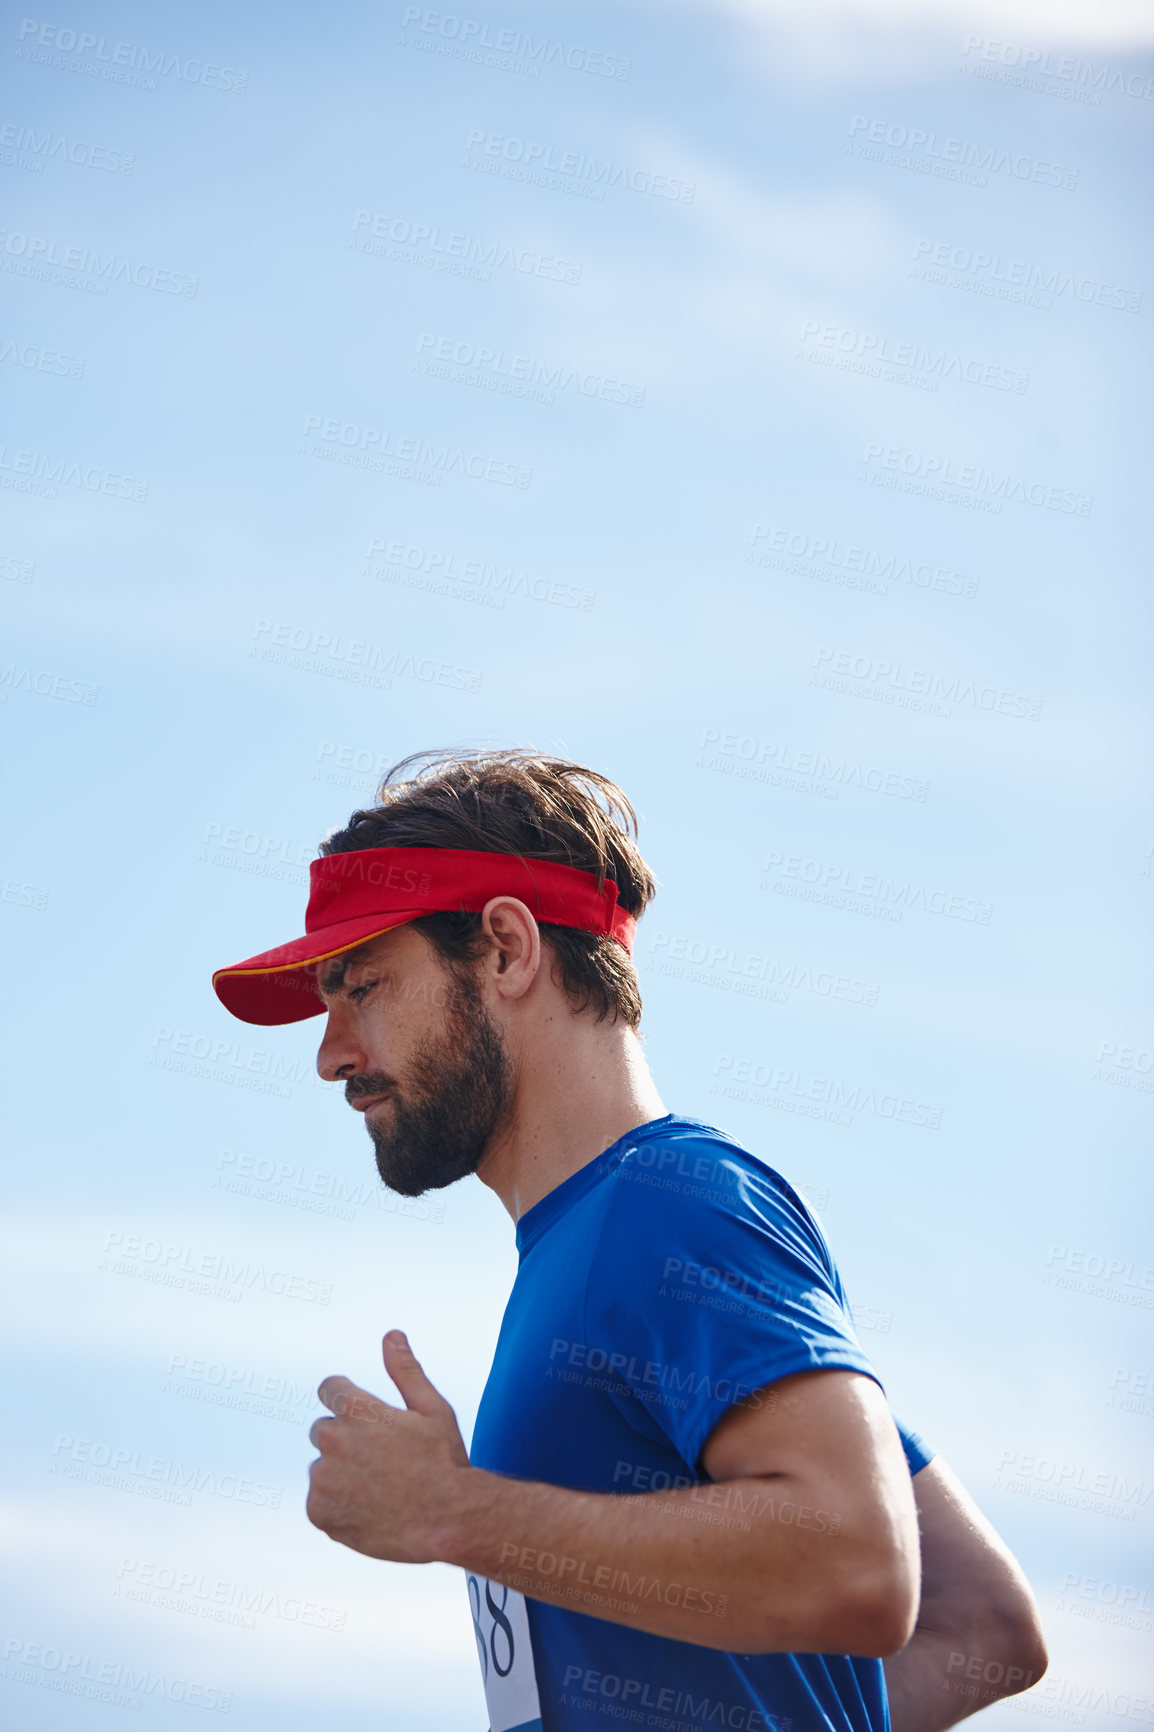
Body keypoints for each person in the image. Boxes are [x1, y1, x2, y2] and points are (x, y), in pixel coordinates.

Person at [212, 748, 1047, 1732]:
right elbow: (980, 1628)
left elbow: (859, 1563)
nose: (330, 1052)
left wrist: (453, 1510)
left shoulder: (675, 1207)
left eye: (363, 985)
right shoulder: (607, 1237)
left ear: (506, 951)